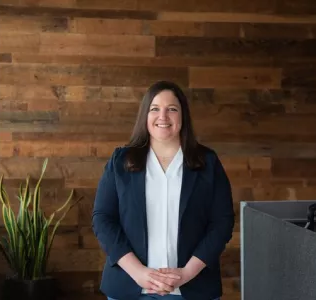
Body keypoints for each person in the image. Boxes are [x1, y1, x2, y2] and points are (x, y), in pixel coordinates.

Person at [92, 80, 235, 300]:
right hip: (130, 289)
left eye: (172, 109)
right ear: (145, 116)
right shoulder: (121, 161)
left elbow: (222, 223)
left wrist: (187, 273)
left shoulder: (207, 162)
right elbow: (103, 219)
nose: (163, 117)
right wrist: (138, 272)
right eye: (155, 109)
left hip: (193, 290)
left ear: (182, 116)